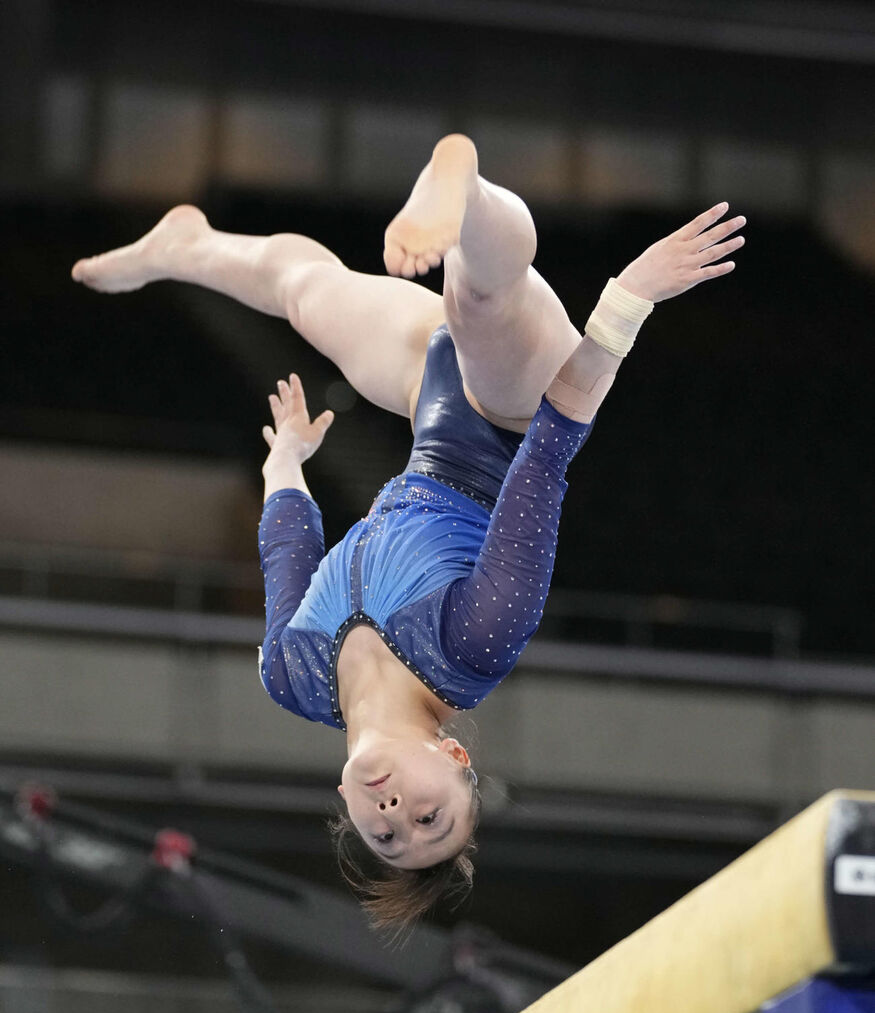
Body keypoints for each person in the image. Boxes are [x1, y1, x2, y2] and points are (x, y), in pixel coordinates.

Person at [72, 135, 745, 928]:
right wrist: (628, 299)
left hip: (428, 410)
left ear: (345, 803)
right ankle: (463, 185)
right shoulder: (473, 647)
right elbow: (545, 455)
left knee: (303, 291)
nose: (395, 814)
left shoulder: (292, 677)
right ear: (453, 758)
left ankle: (185, 246)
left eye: (385, 836)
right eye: (431, 817)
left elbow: (288, 551)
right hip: (520, 409)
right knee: (480, 300)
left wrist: (284, 463)